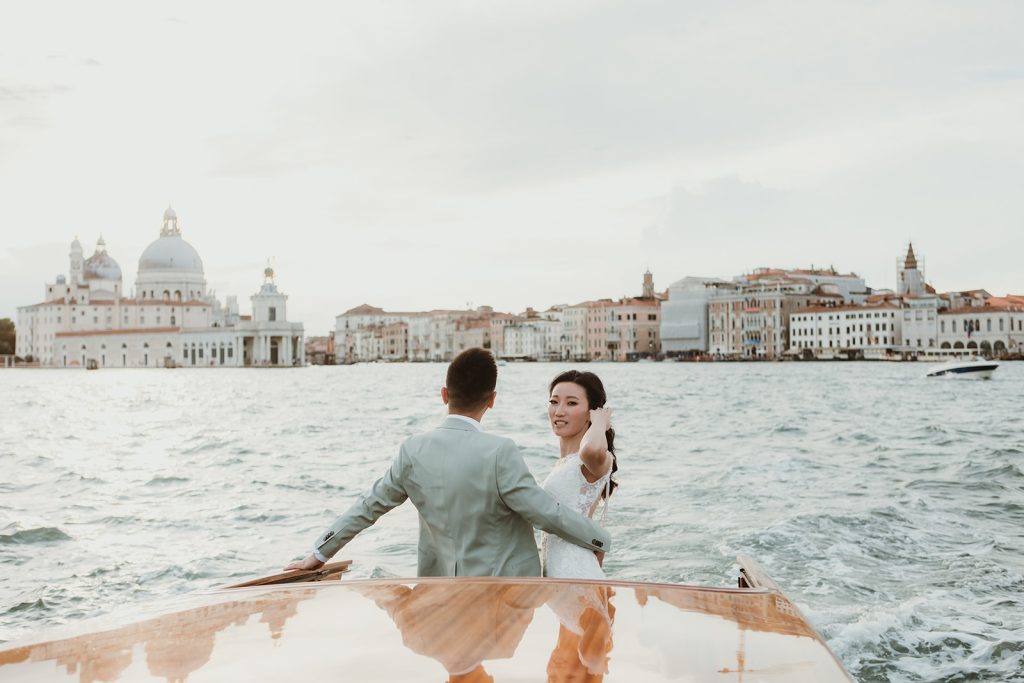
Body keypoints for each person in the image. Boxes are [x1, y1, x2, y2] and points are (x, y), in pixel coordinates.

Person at [285, 348, 611, 576]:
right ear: (492, 400)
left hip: (440, 590)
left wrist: (317, 554)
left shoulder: (412, 450)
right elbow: (545, 513)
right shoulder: (500, 451)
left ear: (444, 394)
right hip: (508, 594)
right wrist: (599, 539)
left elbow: (367, 507)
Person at [541, 370, 618, 579]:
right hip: (556, 573)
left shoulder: (595, 459)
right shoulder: (564, 464)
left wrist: (601, 422)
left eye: (572, 403)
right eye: (554, 402)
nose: (559, 411)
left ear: (590, 412)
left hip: (576, 572)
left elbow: (590, 449)